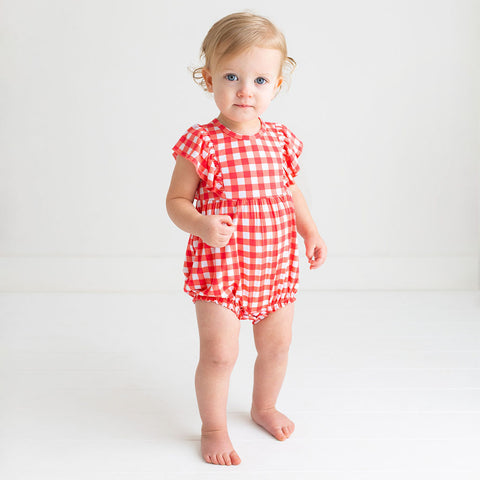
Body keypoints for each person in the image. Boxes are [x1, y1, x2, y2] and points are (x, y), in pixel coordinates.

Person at [166, 11, 327, 466]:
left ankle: (264, 405)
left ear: (276, 85)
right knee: (220, 355)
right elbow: (176, 200)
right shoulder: (202, 143)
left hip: (274, 263)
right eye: (232, 76)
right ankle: (214, 426)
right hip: (222, 267)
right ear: (208, 77)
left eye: (259, 79)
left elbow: (290, 189)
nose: (245, 90)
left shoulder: (280, 140)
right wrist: (200, 224)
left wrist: (310, 231)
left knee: (276, 346)